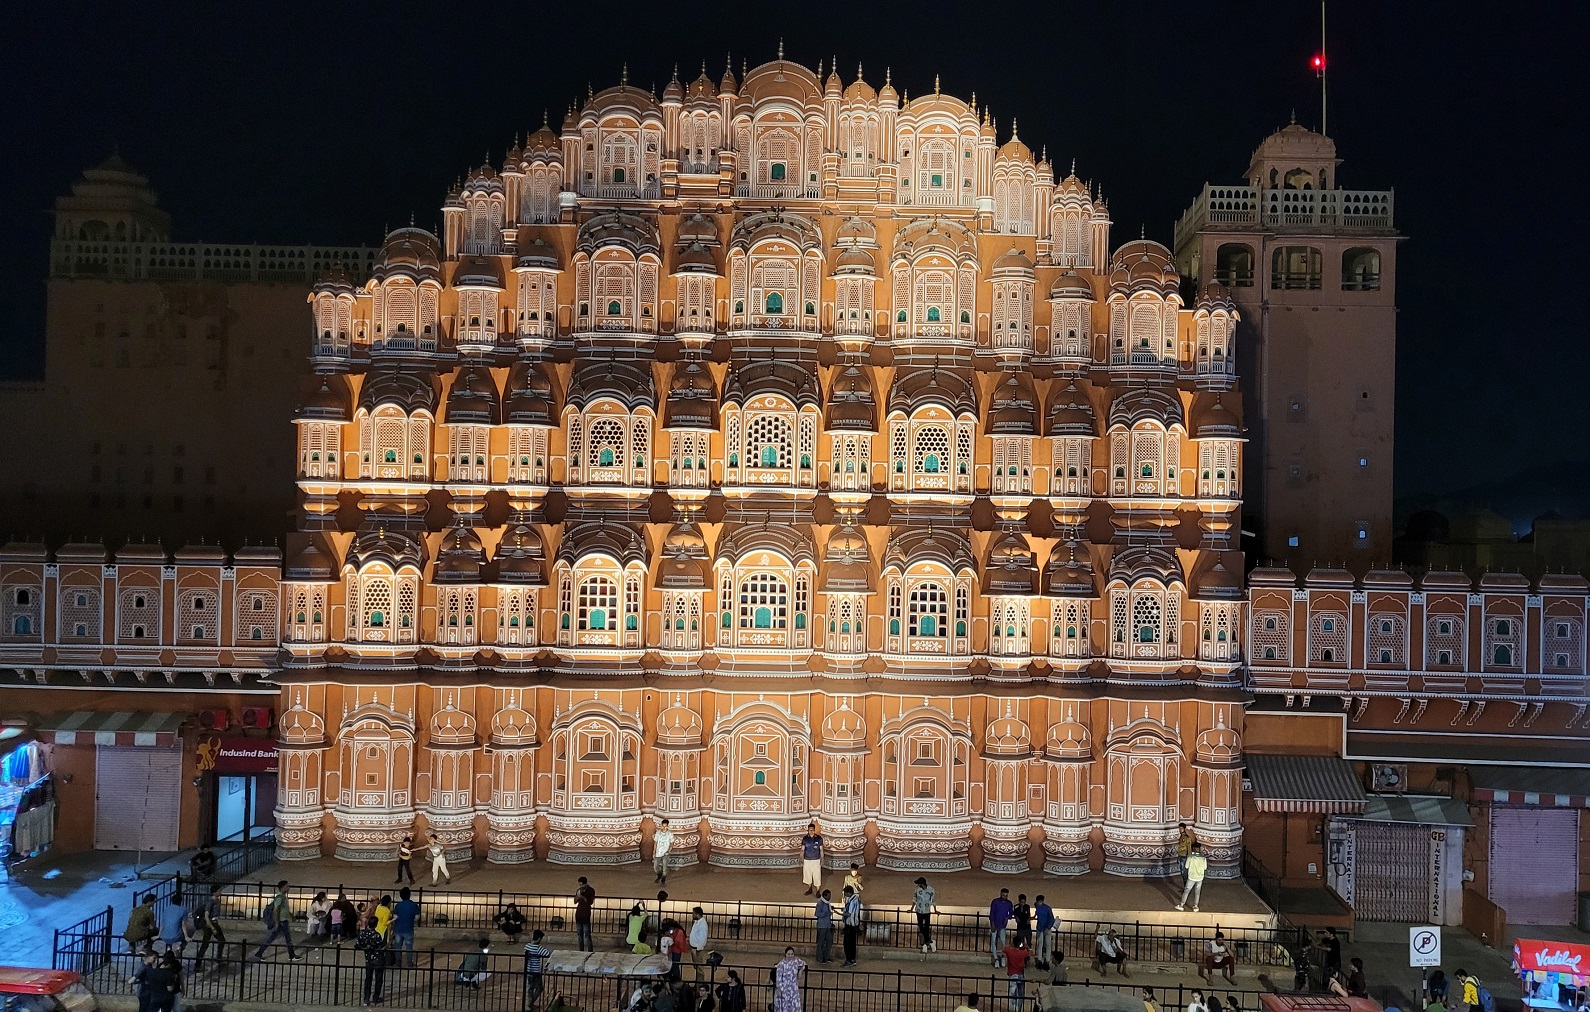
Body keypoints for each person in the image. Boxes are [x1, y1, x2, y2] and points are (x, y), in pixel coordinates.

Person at [254, 880, 303, 961]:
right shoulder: (280, 897)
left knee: (277, 938)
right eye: (287, 886)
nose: (288, 888)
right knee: (282, 938)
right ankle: (291, 955)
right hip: (281, 921)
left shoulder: (283, 897)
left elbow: (284, 909)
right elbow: (276, 910)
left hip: (283, 920)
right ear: (282, 887)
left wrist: (291, 916)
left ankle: (291, 955)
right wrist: (277, 922)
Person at [355, 912, 387, 1005]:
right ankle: (375, 997)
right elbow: (380, 946)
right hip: (378, 959)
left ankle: (366, 998)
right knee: (378, 979)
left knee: (368, 979)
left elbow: (357, 945)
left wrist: (366, 948)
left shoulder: (363, 933)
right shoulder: (376, 935)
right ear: (376, 924)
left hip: (368, 959)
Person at [192, 887, 227, 973]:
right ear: (214, 893)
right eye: (219, 891)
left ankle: (218, 958)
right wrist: (212, 928)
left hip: (214, 924)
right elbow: (207, 916)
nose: (220, 892)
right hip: (209, 925)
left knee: (221, 941)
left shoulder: (216, 901)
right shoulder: (210, 902)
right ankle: (197, 965)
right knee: (205, 944)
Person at [523, 929, 552, 1010]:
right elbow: (547, 954)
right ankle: (530, 1003)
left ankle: (529, 1003)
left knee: (530, 988)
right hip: (535, 971)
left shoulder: (527, 946)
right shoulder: (538, 948)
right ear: (539, 938)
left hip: (528, 970)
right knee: (539, 988)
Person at [1175, 843, 1208, 912]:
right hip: (1200, 877)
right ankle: (1195, 906)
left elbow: (1186, 866)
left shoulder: (1190, 857)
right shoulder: (1203, 857)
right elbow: (1205, 868)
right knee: (1197, 892)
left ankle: (1181, 905)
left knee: (1186, 891)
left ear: (1193, 849)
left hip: (1192, 877)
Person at [157, 890, 191, 956]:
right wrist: (186, 936)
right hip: (176, 937)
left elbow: (163, 924)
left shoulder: (166, 909)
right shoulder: (183, 910)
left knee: (170, 929)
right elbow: (183, 924)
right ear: (181, 901)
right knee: (191, 930)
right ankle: (180, 947)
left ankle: (169, 949)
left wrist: (159, 935)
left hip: (164, 936)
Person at [392, 887, 420, 968]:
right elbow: (417, 917)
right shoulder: (414, 905)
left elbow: (395, 917)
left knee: (398, 946)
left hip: (398, 928)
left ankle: (398, 963)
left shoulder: (398, 906)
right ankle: (409, 963)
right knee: (409, 947)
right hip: (408, 928)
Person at [773, 947, 805, 1012]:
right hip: (784, 989)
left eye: (792, 954)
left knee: (795, 1005)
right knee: (785, 1005)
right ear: (785, 954)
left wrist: (800, 971)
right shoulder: (782, 964)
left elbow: (804, 964)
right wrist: (779, 989)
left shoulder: (796, 961)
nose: (790, 956)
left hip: (794, 988)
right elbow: (779, 978)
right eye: (788, 954)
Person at [989, 888, 1014, 967]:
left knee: (1003, 941)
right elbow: (992, 913)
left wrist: (1007, 918)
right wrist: (992, 923)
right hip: (995, 924)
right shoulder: (995, 902)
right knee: (993, 941)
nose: (1004, 896)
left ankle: (1003, 956)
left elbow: (1011, 913)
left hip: (1003, 925)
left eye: (1006, 895)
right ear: (1000, 894)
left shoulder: (1009, 903)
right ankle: (996, 958)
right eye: (1003, 895)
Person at [1003, 937, 1031, 1006]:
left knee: (1013, 994)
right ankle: (1018, 1009)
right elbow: (1031, 952)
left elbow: (1004, 948)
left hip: (1012, 974)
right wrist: (1027, 946)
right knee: (1020, 994)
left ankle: (1015, 1008)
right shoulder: (1023, 953)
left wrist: (1011, 945)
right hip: (1020, 974)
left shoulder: (1009, 951)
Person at [912, 877, 936, 954]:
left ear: (922, 884)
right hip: (919, 910)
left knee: (926, 927)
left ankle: (926, 942)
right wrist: (912, 908)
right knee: (921, 926)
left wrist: (935, 910)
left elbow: (933, 900)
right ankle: (929, 941)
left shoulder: (931, 890)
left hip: (926, 911)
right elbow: (914, 899)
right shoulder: (917, 889)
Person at [799, 822, 824, 896]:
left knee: (817, 875)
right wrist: (801, 858)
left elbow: (821, 849)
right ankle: (810, 888)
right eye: (810, 830)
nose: (811, 831)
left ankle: (818, 891)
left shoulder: (819, 838)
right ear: (808, 830)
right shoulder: (805, 839)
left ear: (814, 830)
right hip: (807, 860)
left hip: (816, 859)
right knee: (807, 875)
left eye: (812, 830)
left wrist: (822, 858)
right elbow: (802, 849)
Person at [574, 876, 597, 951]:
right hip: (579, 914)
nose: (581, 887)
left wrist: (583, 897)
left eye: (582, 885)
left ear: (585, 884)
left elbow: (590, 902)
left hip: (586, 914)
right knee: (579, 935)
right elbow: (575, 901)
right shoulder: (579, 890)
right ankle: (581, 950)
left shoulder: (591, 890)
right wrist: (578, 896)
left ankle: (590, 950)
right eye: (580, 885)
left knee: (587, 934)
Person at [841, 885, 862, 967]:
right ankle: (852, 959)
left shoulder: (852, 901)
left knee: (847, 943)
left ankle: (849, 960)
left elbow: (849, 913)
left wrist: (841, 913)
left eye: (845, 893)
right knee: (852, 943)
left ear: (849, 892)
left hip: (850, 924)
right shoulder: (855, 899)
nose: (845, 894)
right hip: (854, 923)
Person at [688, 907, 710, 984]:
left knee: (699, 968)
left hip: (697, 949)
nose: (692, 915)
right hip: (694, 948)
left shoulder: (702, 924)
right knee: (697, 967)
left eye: (693, 914)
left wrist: (698, 949)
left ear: (697, 914)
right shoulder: (697, 922)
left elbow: (703, 938)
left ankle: (700, 985)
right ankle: (698, 983)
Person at [1033, 895, 1055, 968]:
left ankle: (1044, 960)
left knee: (1044, 945)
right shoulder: (1046, 908)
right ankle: (1044, 960)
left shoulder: (1043, 908)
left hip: (1044, 928)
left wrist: (1047, 927)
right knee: (1043, 945)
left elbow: (1051, 919)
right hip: (1042, 928)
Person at [654, 818, 675, 885]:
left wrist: (668, 851)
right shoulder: (658, 833)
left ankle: (663, 880)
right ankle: (659, 875)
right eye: (663, 826)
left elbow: (672, 844)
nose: (664, 827)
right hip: (658, 852)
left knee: (664, 868)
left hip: (665, 852)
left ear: (668, 826)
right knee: (655, 867)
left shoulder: (670, 834)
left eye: (665, 826)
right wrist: (654, 852)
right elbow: (655, 843)